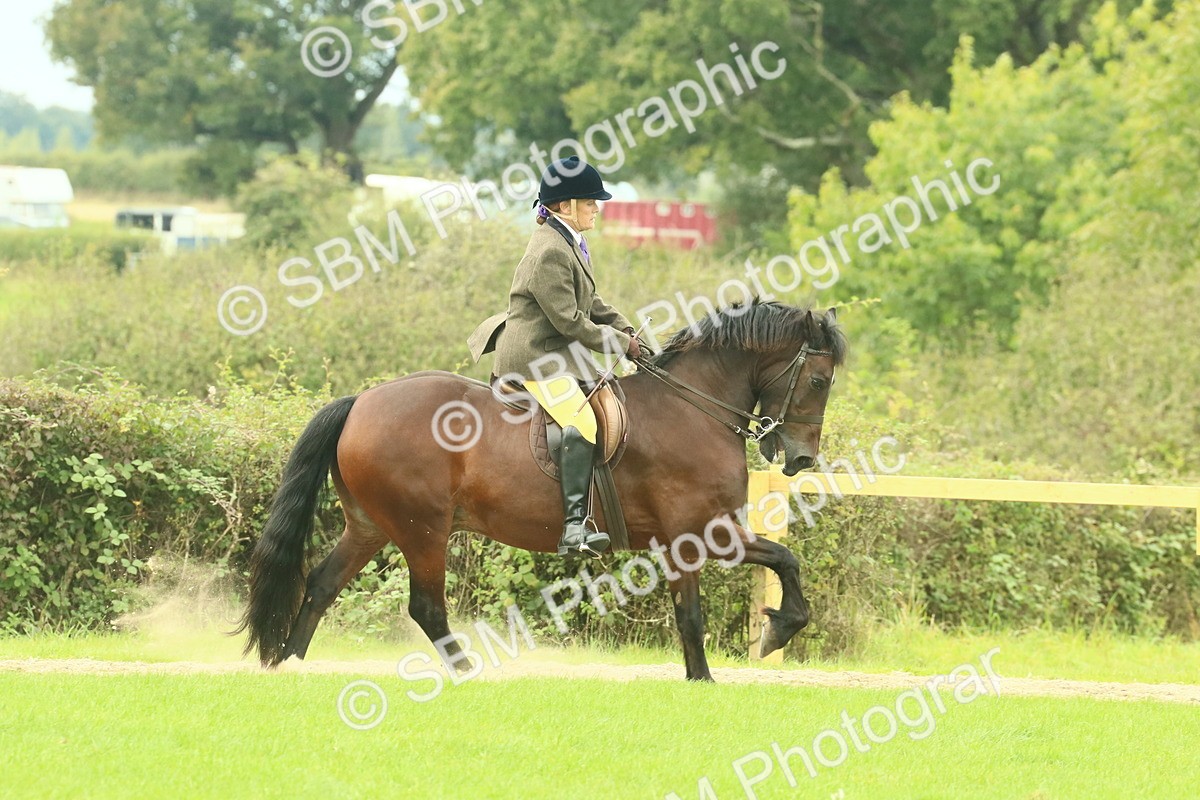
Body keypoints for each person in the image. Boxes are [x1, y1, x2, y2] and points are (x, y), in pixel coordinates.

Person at [468, 157, 643, 558]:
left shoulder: (570, 241)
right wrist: (618, 343)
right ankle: (573, 530)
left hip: (556, 351)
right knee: (580, 419)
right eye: (590, 202)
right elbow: (570, 322)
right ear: (565, 206)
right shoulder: (550, 251)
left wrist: (629, 331)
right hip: (534, 358)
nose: (597, 208)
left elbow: (591, 301)